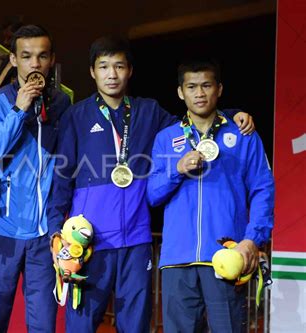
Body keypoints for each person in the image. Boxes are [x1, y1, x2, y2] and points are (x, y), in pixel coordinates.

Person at [47, 36, 254, 333]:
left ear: (130, 70)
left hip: (136, 240)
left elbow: (194, 121)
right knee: (81, 324)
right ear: (93, 72)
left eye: (119, 66)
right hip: (89, 241)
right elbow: (62, 177)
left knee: (136, 325)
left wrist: (232, 115)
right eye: (104, 66)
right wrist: (57, 230)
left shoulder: (148, 111)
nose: (112, 74)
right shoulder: (75, 116)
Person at [147, 59, 274, 332]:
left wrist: (253, 239)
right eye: (191, 86)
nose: (199, 93)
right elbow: (152, 195)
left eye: (206, 85)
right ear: (181, 92)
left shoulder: (243, 134)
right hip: (177, 261)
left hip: (227, 257)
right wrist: (177, 169)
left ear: (219, 89)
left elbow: (263, 188)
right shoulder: (166, 138)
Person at [0, 24, 71, 332]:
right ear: (13, 60)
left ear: (51, 59)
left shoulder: (61, 104)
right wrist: (19, 110)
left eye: (42, 56)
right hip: (1, 230)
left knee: (43, 326)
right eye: (27, 56)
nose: (35, 64)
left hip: (43, 236)